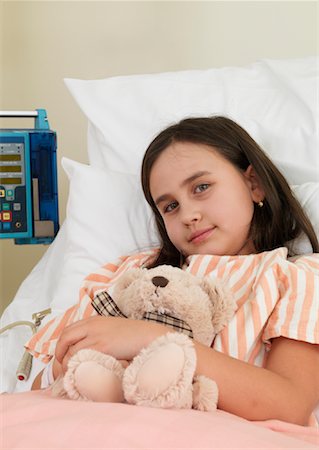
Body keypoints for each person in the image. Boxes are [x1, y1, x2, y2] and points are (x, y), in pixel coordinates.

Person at [30, 116, 319, 426]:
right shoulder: (129, 274)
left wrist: (149, 338)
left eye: (202, 187)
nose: (188, 215)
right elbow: (41, 385)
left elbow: (291, 406)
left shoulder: (295, 278)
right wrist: (78, 367)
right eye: (169, 206)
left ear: (254, 184)